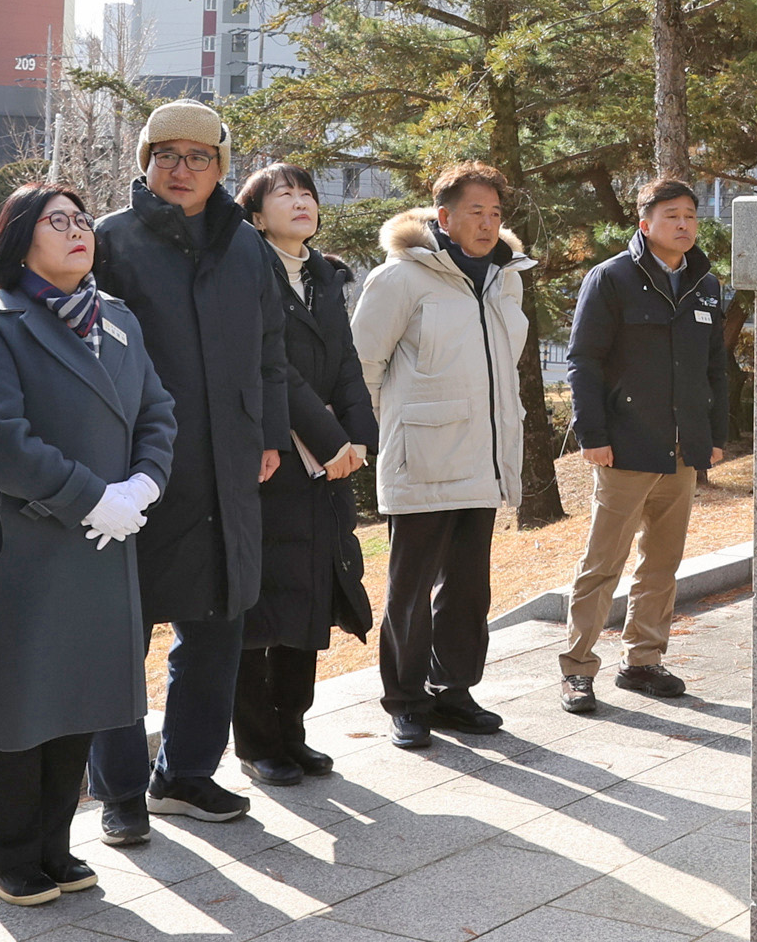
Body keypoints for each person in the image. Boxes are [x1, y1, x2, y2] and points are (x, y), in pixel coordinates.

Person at [0, 185, 176, 906]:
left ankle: (54, 845)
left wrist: (141, 489)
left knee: (79, 699)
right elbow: (0, 440)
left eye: (81, 221)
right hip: (26, 547)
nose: (77, 232)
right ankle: (6, 854)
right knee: (16, 704)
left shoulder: (119, 320)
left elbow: (159, 414)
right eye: (56, 222)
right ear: (19, 241)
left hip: (104, 544)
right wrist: (91, 496)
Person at [83, 103, 288, 840]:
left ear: (220, 169)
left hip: (228, 462)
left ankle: (188, 775)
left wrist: (267, 431)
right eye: (165, 154)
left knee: (217, 624)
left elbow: (271, 349)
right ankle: (118, 792)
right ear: (144, 161)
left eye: (198, 157)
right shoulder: (110, 240)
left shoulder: (246, 247)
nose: (181, 169)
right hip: (139, 467)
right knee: (118, 633)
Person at [352, 161, 532, 751]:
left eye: (496, 213)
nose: (487, 223)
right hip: (422, 458)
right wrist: (395, 432)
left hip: (482, 456)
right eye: (475, 212)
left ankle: (454, 690)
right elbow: (363, 367)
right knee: (410, 587)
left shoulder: (507, 278)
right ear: (444, 217)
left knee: (468, 588)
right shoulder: (401, 278)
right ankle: (405, 700)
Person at [558, 177, 730, 714]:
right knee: (603, 562)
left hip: (682, 450)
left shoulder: (705, 283)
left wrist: (714, 436)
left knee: (662, 562)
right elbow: (583, 359)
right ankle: (577, 668)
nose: (684, 225)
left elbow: (715, 369)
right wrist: (593, 435)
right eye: (672, 215)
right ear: (645, 223)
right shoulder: (611, 278)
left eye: (691, 217)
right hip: (625, 447)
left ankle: (643, 663)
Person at [231, 164, 374, 788]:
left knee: (311, 595)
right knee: (261, 606)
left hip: (325, 465)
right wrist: (330, 437)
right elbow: (273, 367)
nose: (301, 202)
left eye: (308, 193)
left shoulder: (324, 275)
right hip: (269, 457)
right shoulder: (246, 270)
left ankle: (293, 730)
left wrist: (358, 437)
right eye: (283, 193)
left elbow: (345, 361)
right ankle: (257, 742)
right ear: (256, 213)